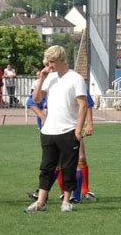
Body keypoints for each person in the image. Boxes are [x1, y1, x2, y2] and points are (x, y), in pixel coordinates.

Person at [24, 45, 88, 213]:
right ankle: (40, 203)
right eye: (47, 62)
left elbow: (83, 106)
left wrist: (78, 129)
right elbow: (36, 98)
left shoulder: (76, 78)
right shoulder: (49, 78)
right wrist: (42, 79)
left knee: (68, 167)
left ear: (61, 60)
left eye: (51, 62)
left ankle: (66, 202)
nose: (49, 65)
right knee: (46, 167)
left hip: (68, 130)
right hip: (48, 131)